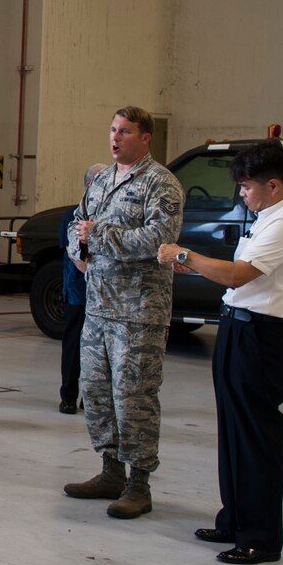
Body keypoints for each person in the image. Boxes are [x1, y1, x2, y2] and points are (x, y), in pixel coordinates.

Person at [159, 141, 283, 565]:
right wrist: (197, 266)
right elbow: (235, 277)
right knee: (232, 430)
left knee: (255, 438)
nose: (241, 194)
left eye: (246, 186)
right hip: (237, 329)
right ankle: (235, 518)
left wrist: (186, 253)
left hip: (260, 337)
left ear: (273, 184)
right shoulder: (266, 219)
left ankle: (261, 537)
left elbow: (240, 274)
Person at [63, 107, 183, 520]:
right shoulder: (100, 181)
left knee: (133, 398)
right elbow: (76, 222)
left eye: (125, 131)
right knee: (95, 393)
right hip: (97, 308)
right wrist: (77, 246)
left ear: (145, 138)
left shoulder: (161, 184)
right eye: (113, 129)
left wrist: (98, 235)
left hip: (138, 313)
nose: (115, 137)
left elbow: (158, 240)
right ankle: (110, 470)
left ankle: (139, 483)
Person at [57, 164, 103, 416]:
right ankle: (68, 396)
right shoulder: (72, 215)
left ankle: (93, 396)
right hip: (79, 291)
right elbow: (75, 256)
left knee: (98, 349)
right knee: (74, 346)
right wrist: (100, 273)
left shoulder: (110, 215)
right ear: (88, 185)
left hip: (105, 296)